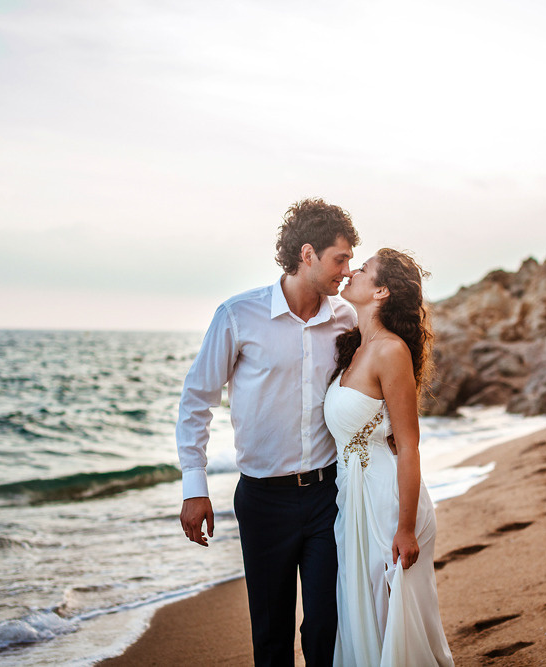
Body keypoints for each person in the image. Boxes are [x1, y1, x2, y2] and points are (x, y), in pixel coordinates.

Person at [176, 198, 360, 666]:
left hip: (327, 495)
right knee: (272, 636)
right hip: (262, 501)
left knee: (327, 625)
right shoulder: (238, 315)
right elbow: (198, 399)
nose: (346, 270)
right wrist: (194, 488)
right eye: (340, 259)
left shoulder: (346, 319)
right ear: (307, 254)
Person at [324, 248, 454, 666]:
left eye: (362, 269)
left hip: (389, 508)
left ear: (380, 291)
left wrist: (406, 528)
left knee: (394, 627)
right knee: (367, 623)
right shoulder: (356, 348)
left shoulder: (391, 351)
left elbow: (409, 444)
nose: (351, 272)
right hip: (356, 503)